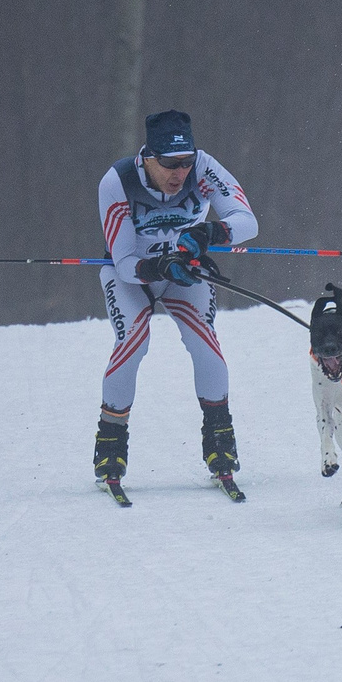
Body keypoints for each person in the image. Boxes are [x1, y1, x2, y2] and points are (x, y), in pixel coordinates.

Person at [94, 109, 258, 487]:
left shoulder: (203, 167)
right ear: (148, 158)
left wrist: (210, 233)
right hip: (135, 277)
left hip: (187, 271)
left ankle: (220, 442)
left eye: (186, 162)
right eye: (169, 163)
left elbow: (247, 222)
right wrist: (159, 268)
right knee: (133, 342)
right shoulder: (117, 181)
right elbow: (123, 262)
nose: (180, 173)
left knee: (206, 343)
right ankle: (110, 445)